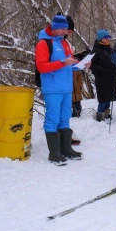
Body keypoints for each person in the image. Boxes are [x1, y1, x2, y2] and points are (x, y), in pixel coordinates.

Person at [36, 14, 83, 165]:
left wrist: (81, 64)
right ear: (55, 28)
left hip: (66, 88)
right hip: (53, 88)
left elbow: (68, 63)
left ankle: (66, 149)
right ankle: (54, 153)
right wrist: (63, 62)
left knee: (64, 119)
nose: (65, 32)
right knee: (52, 119)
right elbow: (42, 67)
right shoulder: (44, 43)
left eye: (66, 29)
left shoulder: (64, 43)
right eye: (63, 29)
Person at [87, 30, 116, 122]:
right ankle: (100, 115)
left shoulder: (110, 49)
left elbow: (114, 62)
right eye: (106, 37)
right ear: (101, 39)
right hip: (101, 78)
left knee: (109, 97)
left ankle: (107, 113)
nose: (108, 39)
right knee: (103, 98)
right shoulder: (96, 50)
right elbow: (91, 64)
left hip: (111, 77)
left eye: (109, 37)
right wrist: (102, 70)